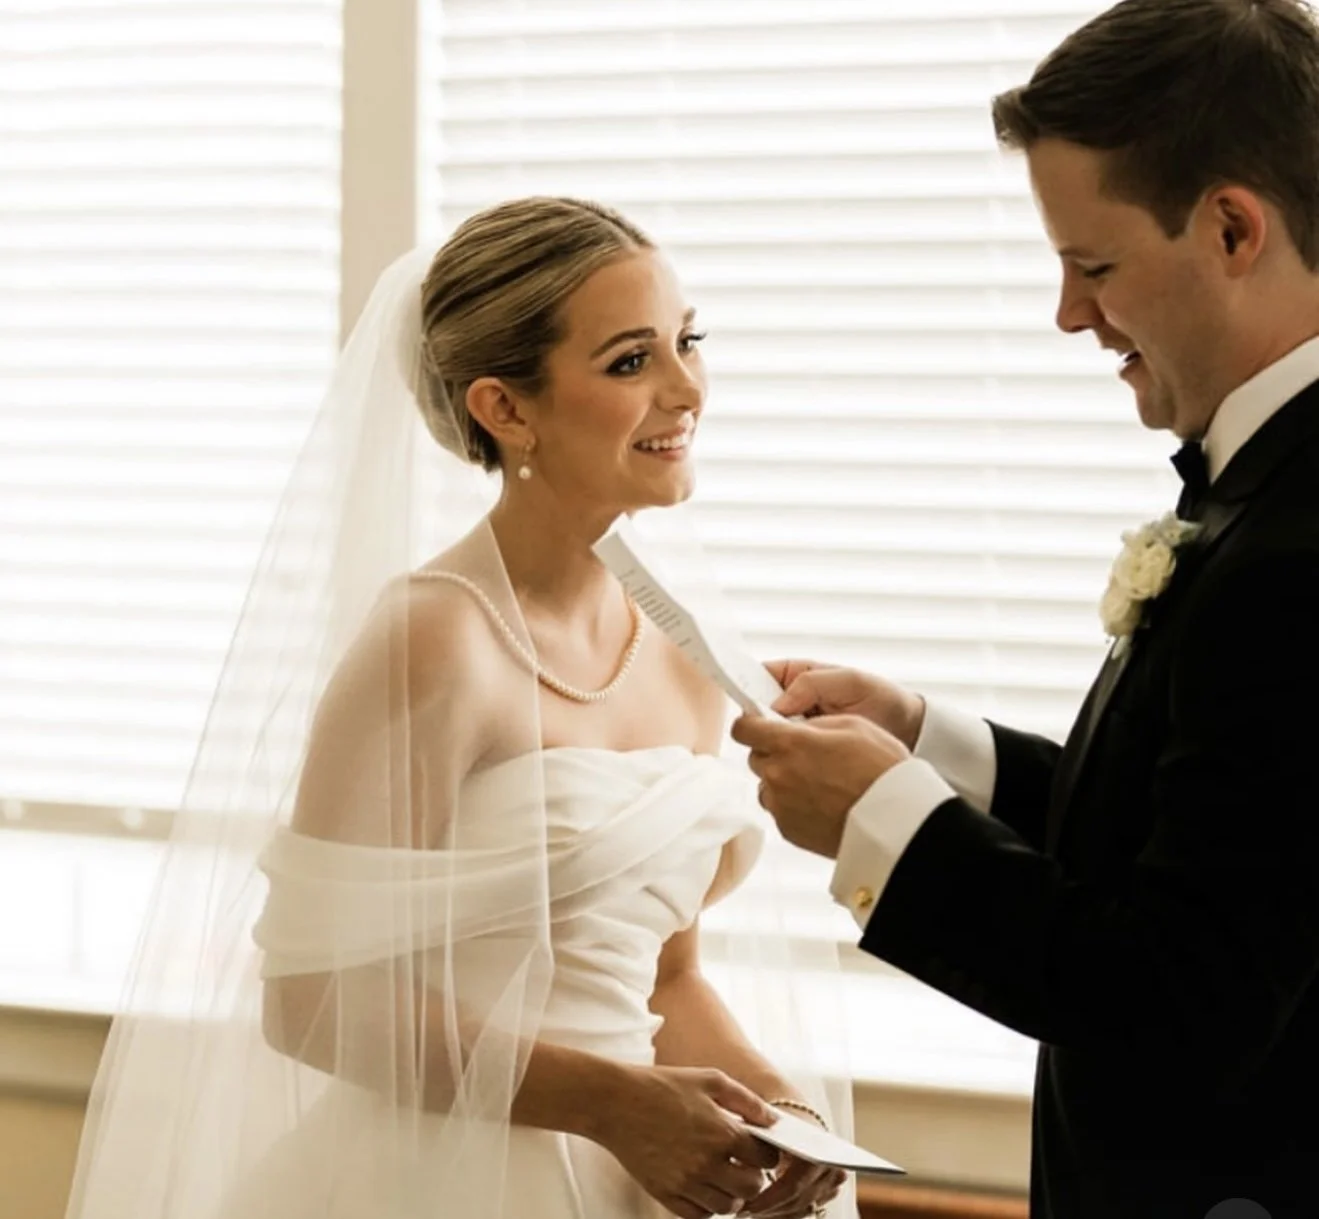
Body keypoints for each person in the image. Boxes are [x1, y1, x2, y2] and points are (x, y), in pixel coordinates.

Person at [63, 198, 850, 1219]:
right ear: (504, 408)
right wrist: (611, 1103)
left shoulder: (686, 649)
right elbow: (309, 999)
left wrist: (780, 1115)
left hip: (643, 1170)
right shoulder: (433, 641)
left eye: (686, 341)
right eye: (629, 361)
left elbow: (665, 979)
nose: (686, 387)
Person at [731, 1, 1319, 1216]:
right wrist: (926, 744)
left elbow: (1177, 994)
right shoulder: (1261, 488)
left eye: (1090, 266)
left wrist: (882, 818)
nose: (1066, 313)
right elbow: (1199, 836)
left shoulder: (1301, 546)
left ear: (1228, 228)